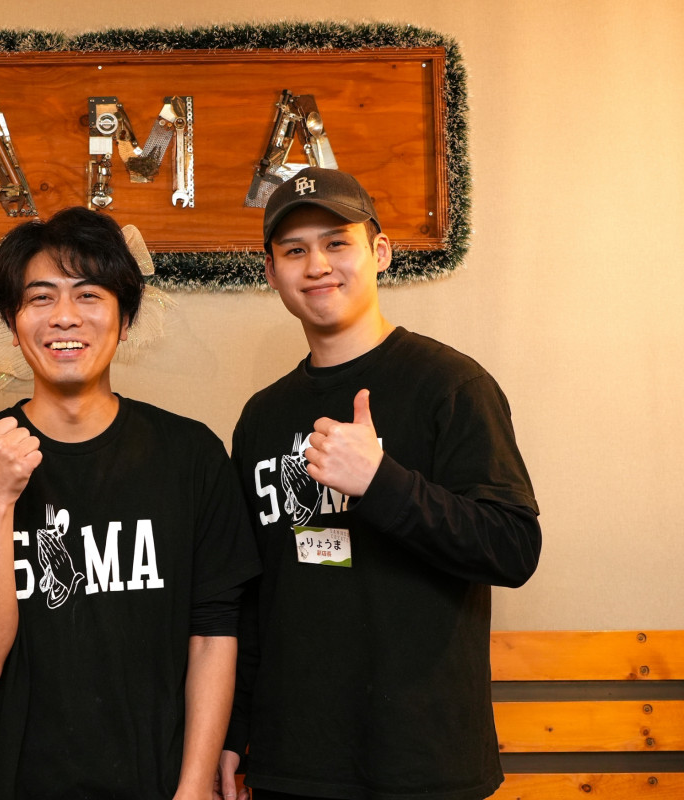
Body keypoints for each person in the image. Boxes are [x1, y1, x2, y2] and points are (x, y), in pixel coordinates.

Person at [0, 207, 261, 800]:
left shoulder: (191, 455)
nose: (64, 316)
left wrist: (194, 786)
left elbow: (213, 632)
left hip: (157, 783)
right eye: (40, 297)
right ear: (12, 324)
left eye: (89, 294)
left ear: (126, 319)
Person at [217, 167, 542, 800]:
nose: (317, 265)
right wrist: (235, 730)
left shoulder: (451, 386)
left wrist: (381, 482)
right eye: (294, 250)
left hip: (420, 763)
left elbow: (513, 547)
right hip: (293, 761)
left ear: (380, 252)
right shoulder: (262, 417)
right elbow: (255, 594)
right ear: (271, 272)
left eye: (337, 242)